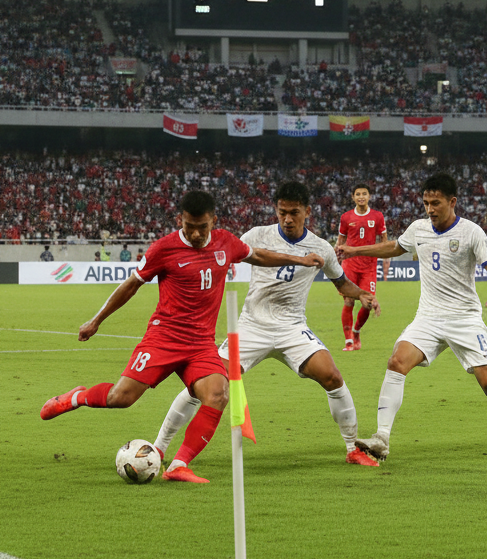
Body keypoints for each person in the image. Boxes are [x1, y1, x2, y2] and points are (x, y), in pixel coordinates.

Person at [39, 190, 326, 483]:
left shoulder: (226, 242)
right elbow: (130, 286)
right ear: (181, 220)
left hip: (200, 344)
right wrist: (96, 320)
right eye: (190, 226)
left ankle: (178, 465)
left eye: (203, 227)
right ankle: (76, 397)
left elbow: (257, 255)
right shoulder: (164, 249)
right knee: (120, 398)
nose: (197, 233)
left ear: (213, 221)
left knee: (218, 395)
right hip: (164, 338)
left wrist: (299, 260)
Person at [152, 180, 382, 468]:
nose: (287, 218)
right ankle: (158, 448)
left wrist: (361, 294)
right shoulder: (257, 235)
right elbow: (221, 254)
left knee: (332, 376)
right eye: (282, 211)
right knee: (205, 385)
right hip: (251, 327)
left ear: (307, 212)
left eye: (294, 212)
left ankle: (352, 449)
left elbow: (341, 283)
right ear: (275, 209)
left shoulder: (321, 247)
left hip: (292, 328)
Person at [338, 171, 487, 463]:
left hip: (464, 319)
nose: (429, 209)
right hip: (428, 318)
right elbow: (393, 246)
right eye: (426, 202)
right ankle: (381, 438)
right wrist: (354, 249)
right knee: (396, 362)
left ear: (452, 201)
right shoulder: (419, 228)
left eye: (436, 203)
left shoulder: (471, 232)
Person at [335, 183, 388, 351]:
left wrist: (385, 260)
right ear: (353, 197)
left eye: (364, 194)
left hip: (369, 267)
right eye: (358, 194)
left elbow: (384, 242)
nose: (361, 197)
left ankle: (356, 331)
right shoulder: (346, 217)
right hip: (350, 265)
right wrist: (335, 263)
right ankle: (348, 340)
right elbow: (340, 242)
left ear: (369, 196)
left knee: (368, 303)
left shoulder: (378, 216)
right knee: (349, 300)